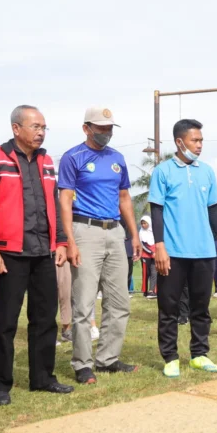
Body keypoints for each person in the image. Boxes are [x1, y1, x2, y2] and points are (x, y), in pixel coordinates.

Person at [0, 105, 73, 405]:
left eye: (44, 127)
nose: (41, 132)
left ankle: (43, 378)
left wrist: (60, 243)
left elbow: (54, 205)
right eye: (35, 126)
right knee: (6, 322)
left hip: (43, 252)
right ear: (16, 129)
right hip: (8, 253)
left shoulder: (46, 161)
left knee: (45, 319)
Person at [58, 107, 139, 385]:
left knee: (120, 302)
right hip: (85, 230)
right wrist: (69, 239)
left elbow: (125, 197)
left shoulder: (118, 158)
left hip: (115, 231)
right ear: (86, 128)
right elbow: (65, 199)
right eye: (101, 128)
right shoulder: (73, 157)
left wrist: (134, 235)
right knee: (83, 302)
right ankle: (82, 363)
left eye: (109, 128)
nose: (106, 133)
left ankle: (108, 359)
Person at [149, 119, 217, 378]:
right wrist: (159, 246)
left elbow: (213, 210)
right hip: (172, 252)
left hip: (204, 251)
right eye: (195, 140)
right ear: (180, 142)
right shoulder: (163, 171)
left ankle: (199, 354)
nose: (200, 145)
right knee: (169, 307)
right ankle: (170, 357)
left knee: (201, 307)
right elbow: (157, 210)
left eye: (201, 140)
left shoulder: (206, 171)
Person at [138, 215, 157, 298]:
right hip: (146, 256)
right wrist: (151, 252)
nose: (143, 225)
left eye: (145, 223)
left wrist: (155, 253)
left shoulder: (154, 231)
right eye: (142, 223)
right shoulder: (141, 232)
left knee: (154, 273)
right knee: (146, 273)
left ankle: (152, 291)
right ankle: (145, 291)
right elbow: (143, 245)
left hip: (155, 256)